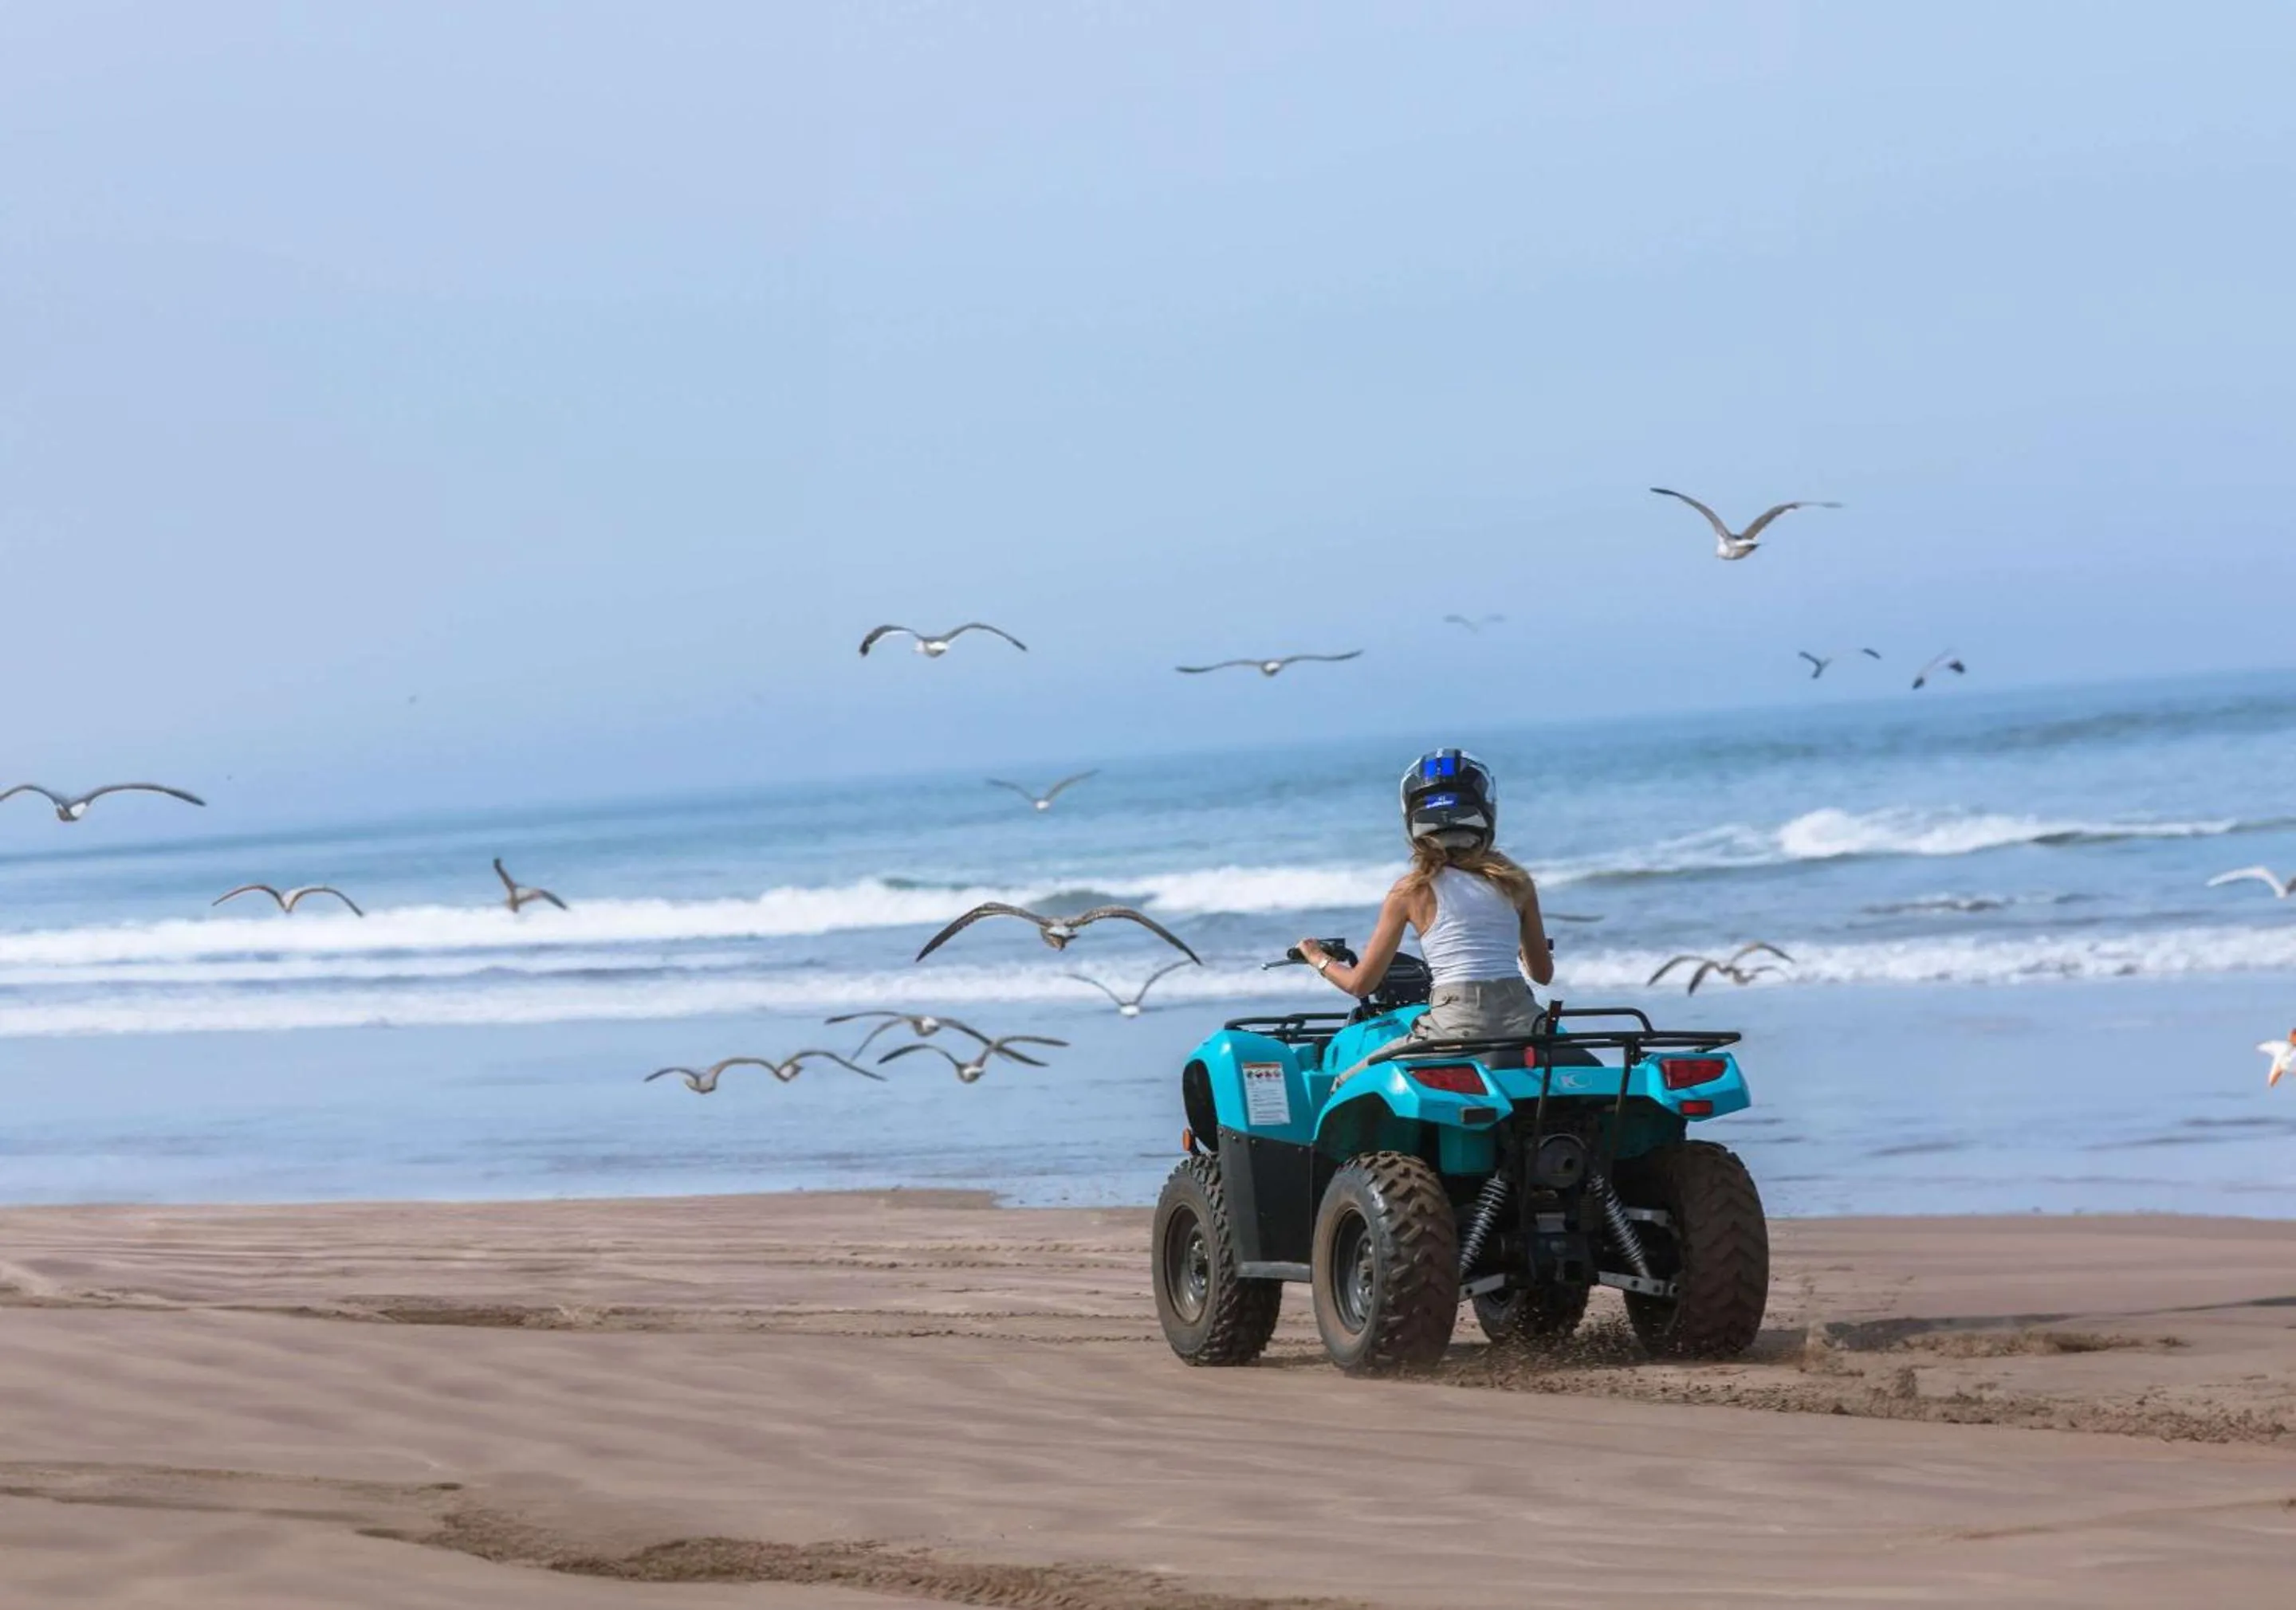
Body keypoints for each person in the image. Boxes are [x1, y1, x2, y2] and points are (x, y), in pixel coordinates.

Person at [1299, 749, 1553, 1051]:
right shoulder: (1516, 882)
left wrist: (1316, 957)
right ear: (1486, 809)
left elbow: (1360, 985)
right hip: (1524, 1023)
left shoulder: (1409, 891)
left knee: (1347, 1080)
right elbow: (1542, 974)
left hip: (1456, 1026)